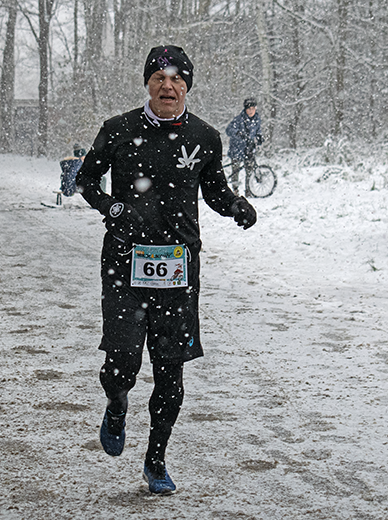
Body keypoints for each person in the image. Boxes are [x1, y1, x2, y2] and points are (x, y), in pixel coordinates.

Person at [75, 45, 257, 495]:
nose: (168, 85)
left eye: (177, 78)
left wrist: (234, 205)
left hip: (178, 267)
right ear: (148, 85)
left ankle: (156, 460)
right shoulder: (118, 130)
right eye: (159, 78)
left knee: (170, 373)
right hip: (124, 263)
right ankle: (116, 404)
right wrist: (111, 206)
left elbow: (215, 190)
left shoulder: (205, 137)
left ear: (187, 86)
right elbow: (84, 179)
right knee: (120, 365)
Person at [225, 98, 264, 196]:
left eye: (253, 108)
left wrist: (259, 137)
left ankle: (248, 190)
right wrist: (238, 134)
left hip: (249, 149)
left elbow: (258, 131)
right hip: (237, 149)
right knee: (235, 171)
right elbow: (228, 130)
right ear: (245, 109)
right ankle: (235, 190)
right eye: (249, 109)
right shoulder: (238, 120)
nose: (251, 111)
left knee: (249, 170)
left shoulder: (257, 120)